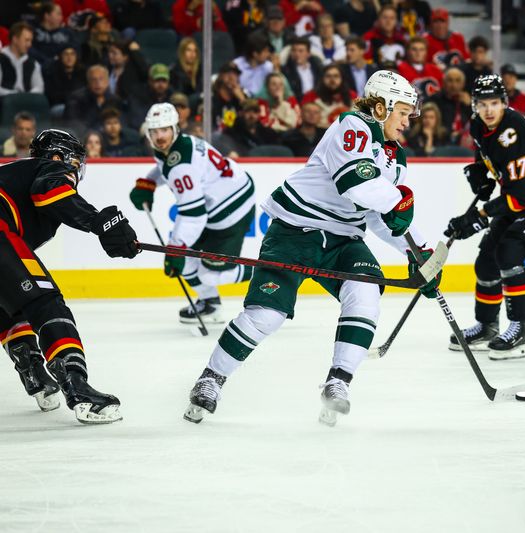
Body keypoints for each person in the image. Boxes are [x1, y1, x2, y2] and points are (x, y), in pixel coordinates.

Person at [182, 70, 439, 427]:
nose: (408, 120)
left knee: (366, 292)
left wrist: (417, 250)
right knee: (266, 316)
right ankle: (211, 378)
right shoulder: (352, 128)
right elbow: (356, 185)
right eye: (402, 111)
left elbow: (382, 216)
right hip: (294, 232)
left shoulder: (395, 158)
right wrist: (397, 202)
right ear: (380, 107)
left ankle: (338, 382)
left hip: (343, 240)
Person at [0, 129, 138, 422]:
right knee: (46, 302)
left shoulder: (17, 176)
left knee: (10, 302)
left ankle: (35, 374)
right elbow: (47, 192)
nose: (75, 168)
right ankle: (78, 388)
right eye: (74, 160)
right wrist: (99, 222)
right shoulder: (50, 168)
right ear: (58, 156)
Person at [444, 75, 525, 360]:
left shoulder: (514, 131)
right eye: (482, 104)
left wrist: (478, 216)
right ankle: (487, 325)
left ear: (504, 103)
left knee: (510, 251)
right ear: (474, 105)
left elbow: (519, 198)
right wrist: (480, 171)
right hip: (521, 198)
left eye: (495, 103)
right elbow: (486, 153)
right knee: (487, 259)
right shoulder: (478, 123)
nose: (489, 110)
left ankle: (522, 329)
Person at [128, 103, 256, 324]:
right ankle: (210, 304)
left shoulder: (182, 165)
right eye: (154, 131)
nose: (159, 137)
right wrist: (149, 182)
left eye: (164, 130)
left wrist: (176, 248)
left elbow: (194, 214)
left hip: (232, 208)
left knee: (210, 274)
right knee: (186, 262)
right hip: (217, 201)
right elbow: (164, 166)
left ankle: (263, 272)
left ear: (175, 128)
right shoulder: (175, 146)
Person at [64, 64, 124, 132]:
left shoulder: (115, 100)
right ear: (88, 82)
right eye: (94, 79)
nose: (98, 83)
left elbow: (121, 123)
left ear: (107, 82)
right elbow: (72, 122)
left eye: (101, 79)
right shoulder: (75, 98)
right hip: (85, 138)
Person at [427, 67, 472, 146]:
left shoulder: (468, 101)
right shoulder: (434, 100)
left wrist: (470, 105)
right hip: (441, 142)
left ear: (463, 84)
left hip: (465, 142)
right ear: (444, 83)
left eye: (458, 81)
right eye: (450, 80)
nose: (454, 85)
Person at [0, 22, 45, 97]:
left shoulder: (32, 63)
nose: (29, 44)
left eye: (30, 41)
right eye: (26, 40)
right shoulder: (1, 59)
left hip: (26, 103)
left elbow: (39, 87)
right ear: (15, 39)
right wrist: (15, 95)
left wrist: (25, 96)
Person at [31, 1, 75, 66]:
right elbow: (30, 50)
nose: (61, 17)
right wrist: (46, 60)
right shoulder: (33, 32)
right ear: (47, 16)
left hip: (61, 68)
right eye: (58, 14)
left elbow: (75, 51)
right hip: (38, 66)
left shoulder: (67, 33)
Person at [232, 32, 275, 96]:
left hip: (262, 102)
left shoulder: (268, 67)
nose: (268, 54)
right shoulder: (237, 65)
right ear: (255, 54)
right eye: (265, 51)